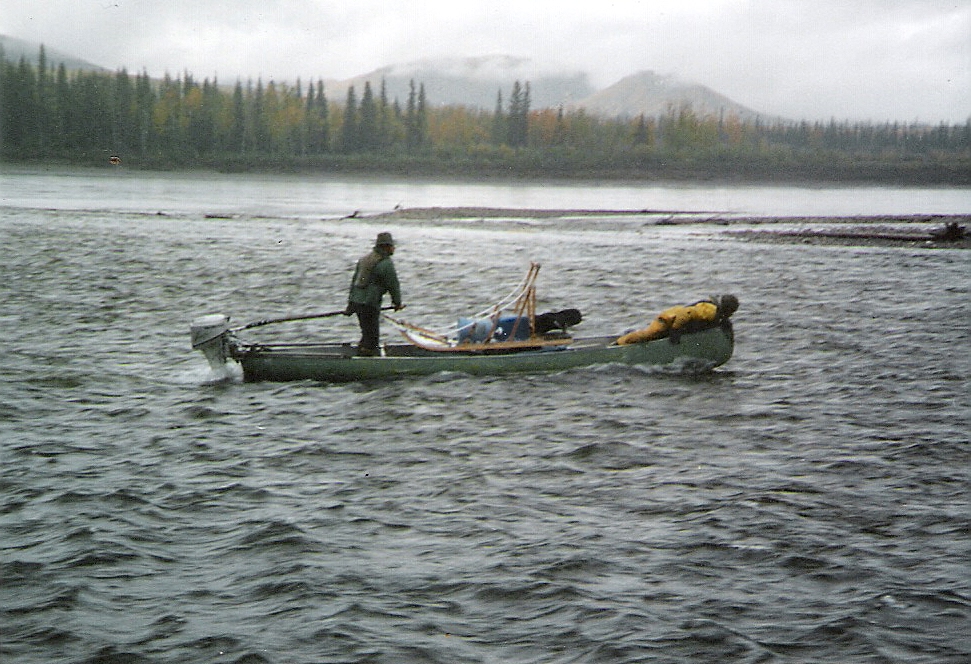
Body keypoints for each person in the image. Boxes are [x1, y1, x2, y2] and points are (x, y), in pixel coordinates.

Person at [345, 232, 403, 356]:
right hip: (369, 303)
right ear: (386, 247)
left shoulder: (364, 259)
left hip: (357, 302)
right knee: (372, 337)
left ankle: (362, 354)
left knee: (367, 333)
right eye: (392, 246)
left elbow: (354, 283)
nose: (394, 249)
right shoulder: (386, 263)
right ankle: (367, 361)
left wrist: (350, 305)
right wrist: (397, 303)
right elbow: (393, 285)